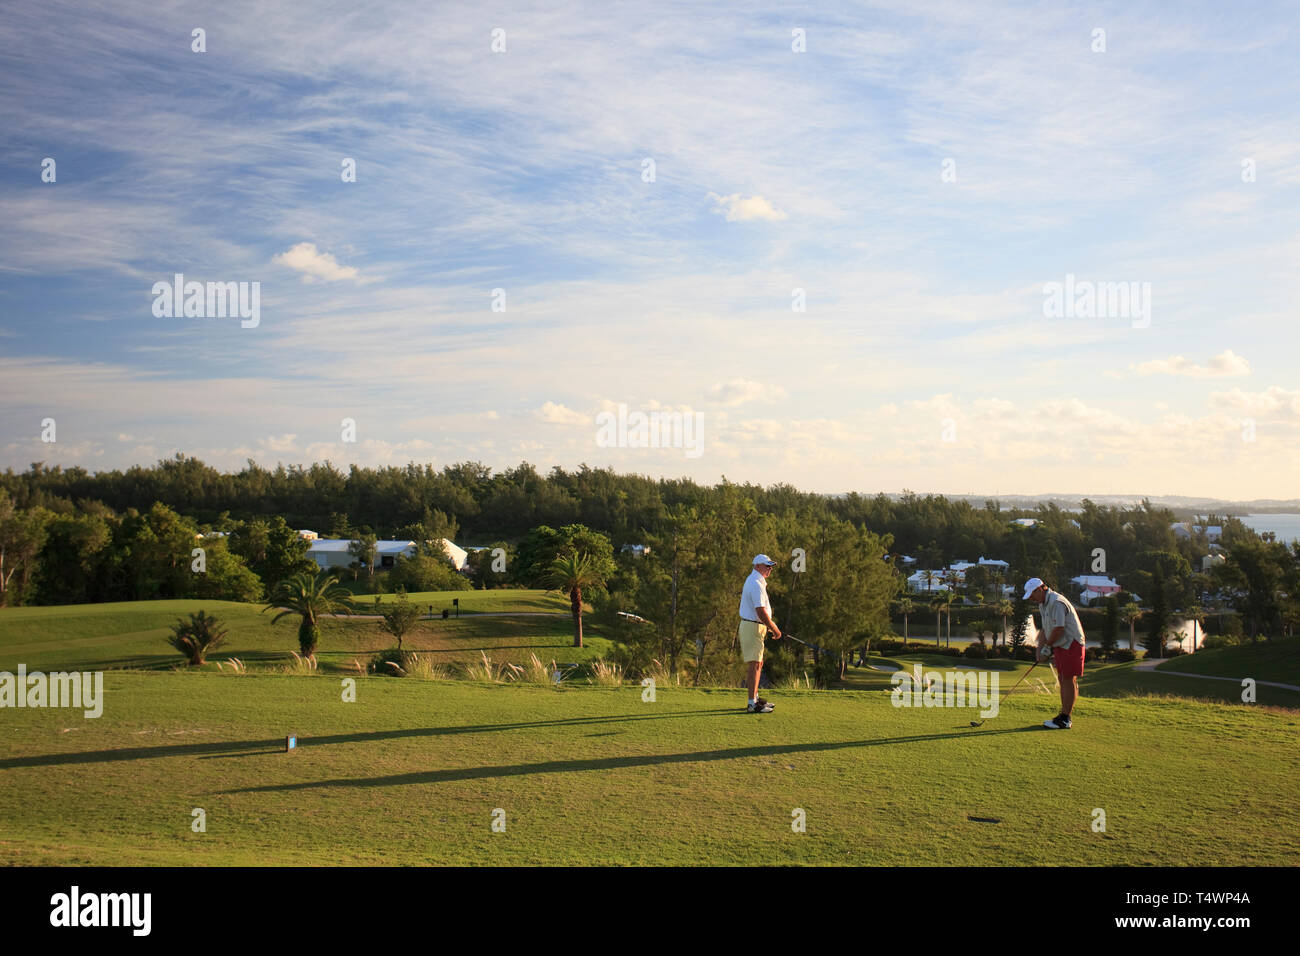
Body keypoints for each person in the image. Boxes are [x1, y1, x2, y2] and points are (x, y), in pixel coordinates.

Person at [1023, 576, 1086, 729]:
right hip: (1061, 644)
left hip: (1071, 643)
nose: (1031, 598)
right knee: (1064, 678)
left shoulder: (1057, 602)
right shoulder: (1043, 604)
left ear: (1040, 590)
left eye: (1032, 594)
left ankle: (1065, 718)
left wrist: (1047, 648)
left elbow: (1059, 628)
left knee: (1068, 679)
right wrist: (1039, 648)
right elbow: (1046, 629)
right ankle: (1064, 715)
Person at [738, 554, 782, 713]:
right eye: (767, 566)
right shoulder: (755, 583)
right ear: (757, 566)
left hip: (755, 627)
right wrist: (774, 629)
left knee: (758, 663)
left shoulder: (757, 581)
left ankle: (755, 699)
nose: (770, 569)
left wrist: (769, 626)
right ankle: (752, 704)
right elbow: (760, 611)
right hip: (753, 627)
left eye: (771, 566)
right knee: (755, 665)